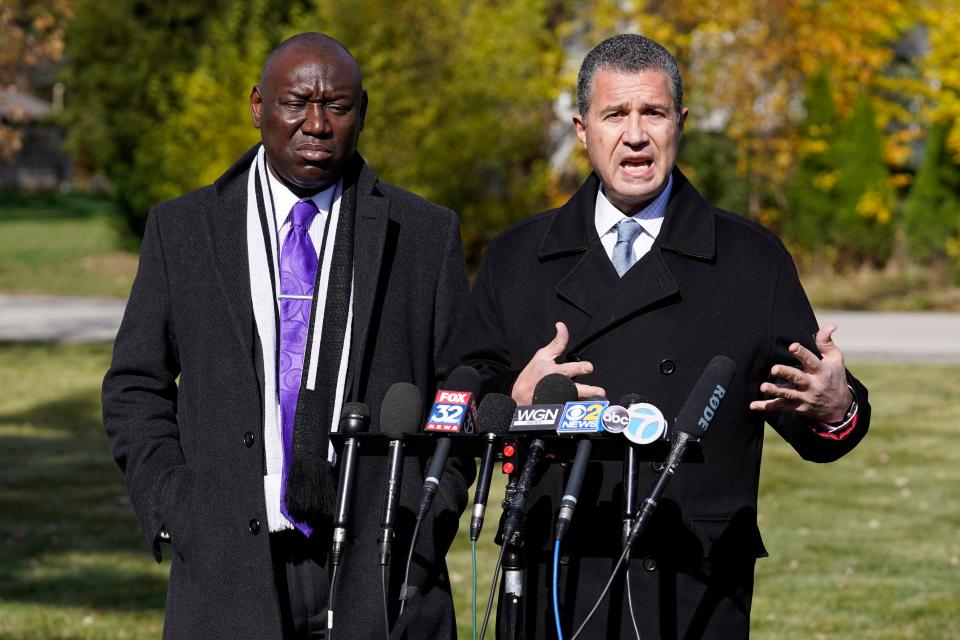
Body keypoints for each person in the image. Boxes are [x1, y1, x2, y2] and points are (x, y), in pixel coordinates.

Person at [456, 34, 870, 639]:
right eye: (615, 114)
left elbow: (821, 427)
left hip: (691, 590)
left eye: (652, 113)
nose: (635, 134)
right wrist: (512, 407)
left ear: (680, 122)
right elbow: (460, 401)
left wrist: (837, 405)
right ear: (581, 128)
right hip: (557, 582)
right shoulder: (517, 257)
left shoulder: (751, 260)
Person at [102, 33, 471, 639]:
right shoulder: (184, 230)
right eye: (297, 102)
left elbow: (461, 383)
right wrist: (177, 508)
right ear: (258, 105)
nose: (317, 124)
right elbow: (134, 386)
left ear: (363, 111)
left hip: (380, 569)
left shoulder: (424, 235)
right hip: (228, 567)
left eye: (339, 106)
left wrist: (427, 512)